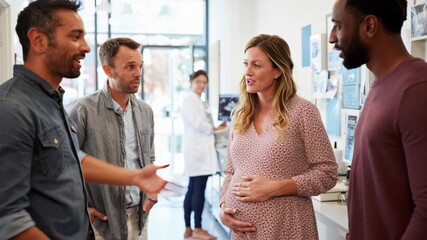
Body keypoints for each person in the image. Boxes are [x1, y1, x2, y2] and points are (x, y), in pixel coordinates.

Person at [0, 1, 167, 239]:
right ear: (38, 40)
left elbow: (73, 159)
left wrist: (134, 178)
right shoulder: (12, 107)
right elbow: (9, 219)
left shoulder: (50, 100)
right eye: (75, 37)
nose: (86, 48)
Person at [219, 34, 338, 240]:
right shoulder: (241, 115)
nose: (247, 72)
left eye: (256, 65)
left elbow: (327, 173)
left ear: (277, 70)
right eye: (246, 64)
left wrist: (274, 188)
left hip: (287, 229)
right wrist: (223, 208)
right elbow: (230, 172)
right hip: (242, 235)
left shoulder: (303, 112)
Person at [329, 0, 427, 239]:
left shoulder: (416, 89)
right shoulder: (381, 86)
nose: (332, 38)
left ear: (369, 26)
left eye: (338, 26)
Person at [67, 37, 156, 240]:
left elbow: (149, 156)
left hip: (139, 219)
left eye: (140, 66)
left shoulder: (146, 111)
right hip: (101, 222)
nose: (138, 73)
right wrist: (81, 209)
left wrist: (151, 195)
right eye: (130, 67)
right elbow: (67, 164)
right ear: (108, 71)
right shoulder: (82, 110)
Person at [181, 70, 227, 240]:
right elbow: (198, 123)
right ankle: (196, 228)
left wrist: (216, 127)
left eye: (204, 82)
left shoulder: (200, 101)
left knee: (193, 188)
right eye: (198, 81)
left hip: (199, 150)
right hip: (197, 151)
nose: (202, 85)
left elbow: (204, 122)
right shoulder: (189, 100)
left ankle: (189, 228)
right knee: (197, 189)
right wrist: (214, 129)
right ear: (192, 81)